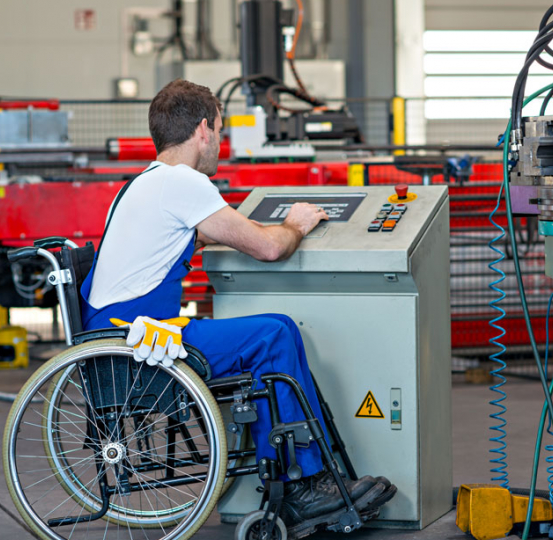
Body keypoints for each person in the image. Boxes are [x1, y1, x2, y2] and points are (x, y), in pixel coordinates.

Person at [78, 79, 395, 533]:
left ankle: (307, 472)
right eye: (221, 133)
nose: (220, 145)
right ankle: (299, 483)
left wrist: (233, 229)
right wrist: (295, 224)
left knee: (269, 331)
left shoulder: (141, 185)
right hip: (139, 347)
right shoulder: (184, 182)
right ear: (204, 129)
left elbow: (191, 233)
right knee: (275, 333)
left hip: (118, 338)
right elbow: (269, 249)